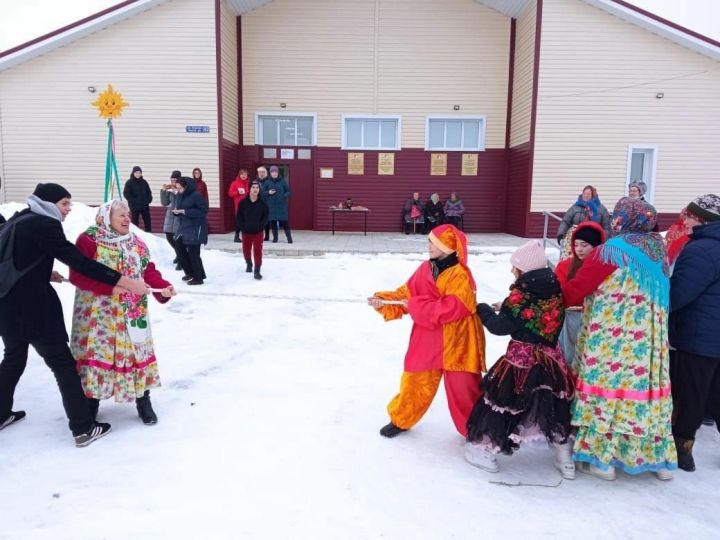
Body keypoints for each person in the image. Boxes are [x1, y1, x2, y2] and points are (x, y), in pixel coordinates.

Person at [0, 183, 149, 446]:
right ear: (48, 203)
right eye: (65, 203)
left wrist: (41, 273)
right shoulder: (46, 224)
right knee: (63, 366)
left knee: (13, 358)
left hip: (7, 306)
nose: (68, 209)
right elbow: (78, 261)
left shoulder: (19, 219)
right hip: (35, 310)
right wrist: (124, 281)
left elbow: (13, 257)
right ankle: (83, 428)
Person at [562, 197, 676, 481]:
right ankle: (656, 459)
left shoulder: (610, 251)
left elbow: (576, 290)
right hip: (647, 345)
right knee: (643, 393)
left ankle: (604, 461)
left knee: (610, 389)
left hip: (612, 340)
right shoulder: (657, 251)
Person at [465, 240, 575, 478]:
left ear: (524, 270)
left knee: (505, 404)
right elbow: (532, 313)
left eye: (515, 266)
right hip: (550, 360)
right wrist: (504, 305)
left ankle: (485, 451)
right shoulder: (553, 288)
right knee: (553, 406)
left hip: (521, 361)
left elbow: (499, 326)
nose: (512, 271)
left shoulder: (521, 296)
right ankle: (564, 457)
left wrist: (482, 309)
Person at [368, 224, 485, 439]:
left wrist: (415, 305)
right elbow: (405, 294)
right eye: (429, 241)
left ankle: (474, 430)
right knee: (415, 379)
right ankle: (401, 419)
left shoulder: (461, 276)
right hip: (428, 335)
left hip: (458, 340)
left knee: (464, 389)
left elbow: (453, 308)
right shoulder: (425, 269)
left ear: (447, 246)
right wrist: (383, 302)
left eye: (434, 242)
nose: (429, 245)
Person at [70, 200, 176, 425]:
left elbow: (147, 270)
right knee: (97, 356)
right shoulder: (89, 240)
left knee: (136, 354)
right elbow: (77, 275)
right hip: (99, 316)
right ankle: (91, 402)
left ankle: (143, 399)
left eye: (128, 214)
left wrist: (163, 288)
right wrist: (113, 288)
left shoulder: (135, 242)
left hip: (132, 313)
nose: (128, 218)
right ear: (105, 217)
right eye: (121, 215)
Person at [669, 194, 720, 472]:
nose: (684, 221)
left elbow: (680, 293)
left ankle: (682, 449)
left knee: (692, 394)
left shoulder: (701, 250)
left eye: (689, 216)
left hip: (699, 336)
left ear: (703, 219)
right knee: (716, 393)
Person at [554, 221, 605, 365]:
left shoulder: (604, 267)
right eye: (576, 245)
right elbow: (557, 292)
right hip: (567, 322)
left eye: (584, 245)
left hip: (594, 320)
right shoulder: (565, 266)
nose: (579, 250)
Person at [556, 185, 611, 258]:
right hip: (575, 237)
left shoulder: (601, 209)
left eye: (588, 194)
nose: (586, 196)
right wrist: (561, 233)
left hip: (593, 239)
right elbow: (566, 221)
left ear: (593, 195)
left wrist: (603, 239)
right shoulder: (575, 207)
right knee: (571, 258)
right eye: (584, 194)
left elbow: (606, 227)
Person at [173, 177, 208, 285]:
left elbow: (203, 211)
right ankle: (190, 273)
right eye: (177, 188)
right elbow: (179, 208)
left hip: (196, 227)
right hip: (184, 227)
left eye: (180, 188)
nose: (178, 190)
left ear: (186, 187)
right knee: (179, 249)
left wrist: (185, 211)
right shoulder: (179, 195)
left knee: (193, 253)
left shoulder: (196, 195)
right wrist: (176, 212)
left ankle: (198, 278)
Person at [237, 181, 269, 280]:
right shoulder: (243, 203)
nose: (255, 189)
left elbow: (266, 217)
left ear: (259, 190)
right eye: (253, 187)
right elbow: (239, 217)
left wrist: (261, 227)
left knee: (257, 250)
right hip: (246, 232)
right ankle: (249, 263)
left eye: (257, 188)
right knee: (246, 250)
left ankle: (257, 270)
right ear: (249, 189)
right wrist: (243, 227)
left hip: (258, 232)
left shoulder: (263, 204)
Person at [262, 166, 292, 243]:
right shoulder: (267, 182)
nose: (274, 173)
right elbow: (262, 193)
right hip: (271, 206)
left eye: (275, 172)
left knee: (285, 223)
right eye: (272, 172)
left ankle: (289, 238)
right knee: (273, 223)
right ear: (270, 173)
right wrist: (268, 192)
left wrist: (283, 196)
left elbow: (288, 192)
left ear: (278, 173)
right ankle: (275, 238)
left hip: (281, 206)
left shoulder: (283, 181)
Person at [160, 170, 183, 271]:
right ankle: (179, 254)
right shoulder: (170, 190)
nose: (173, 182)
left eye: (175, 180)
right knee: (169, 237)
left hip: (179, 217)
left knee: (178, 240)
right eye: (172, 179)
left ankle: (182, 260)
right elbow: (164, 203)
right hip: (170, 217)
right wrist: (164, 191)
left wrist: (177, 192)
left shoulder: (182, 190)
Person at [123, 165, 153, 232]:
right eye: (136, 173)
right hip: (134, 206)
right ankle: (135, 235)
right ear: (133, 173)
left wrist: (148, 200)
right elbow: (126, 194)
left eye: (139, 172)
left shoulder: (144, 182)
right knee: (135, 222)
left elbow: (149, 192)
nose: (138, 174)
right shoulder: (129, 182)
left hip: (144, 205)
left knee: (147, 221)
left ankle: (149, 235)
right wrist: (132, 201)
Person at [228, 168, 250, 243]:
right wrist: (237, 192)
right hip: (239, 206)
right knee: (239, 221)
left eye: (245, 174)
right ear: (239, 175)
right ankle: (236, 237)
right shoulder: (235, 183)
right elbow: (230, 193)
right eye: (242, 174)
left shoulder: (247, 183)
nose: (244, 176)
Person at [255, 166, 271, 240]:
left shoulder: (269, 181)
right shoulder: (255, 182)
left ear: (266, 173)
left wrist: (265, 193)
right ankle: (259, 235)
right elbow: (253, 192)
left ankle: (267, 236)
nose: (261, 173)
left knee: (266, 220)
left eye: (263, 172)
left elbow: (272, 191)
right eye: (260, 172)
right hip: (258, 203)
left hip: (267, 202)